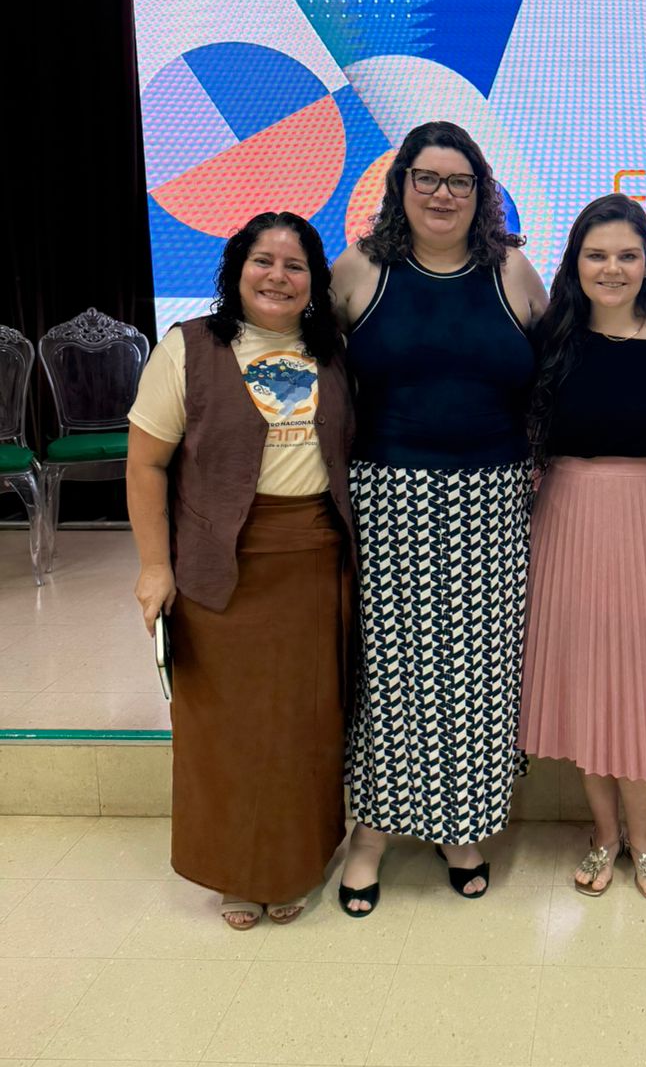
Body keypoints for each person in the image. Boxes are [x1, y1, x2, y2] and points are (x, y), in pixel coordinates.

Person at [331, 121, 547, 910]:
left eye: (460, 181)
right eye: (427, 178)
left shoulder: (513, 271)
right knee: (392, 677)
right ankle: (371, 834)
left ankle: (464, 828)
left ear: (481, 192)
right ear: (401, 186)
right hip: (390, 500)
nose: (443, 194)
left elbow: (553, 381)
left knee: (479, 678)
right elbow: (310, 378)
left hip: (494, 503)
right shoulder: (359, 270)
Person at [127, 212, 354, 929]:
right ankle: (235, 871)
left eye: (295, 265)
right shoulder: (188, 348)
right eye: (264, 261)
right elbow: (146, 464)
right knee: (223, 727)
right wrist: (154, 566)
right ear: (236, 270)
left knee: (304, 724)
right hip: (217, 566)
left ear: (314, 281)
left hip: (313, 560)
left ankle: (293, 864)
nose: (278, 276)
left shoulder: (335, 352)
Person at [520, 196, 646, 899]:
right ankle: (605, 835)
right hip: (569, 516)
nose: (613, 268)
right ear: (575, 262)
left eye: (627, 255)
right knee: (587, 677)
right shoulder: (550, 339)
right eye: (597, 254)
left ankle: (645, 837)